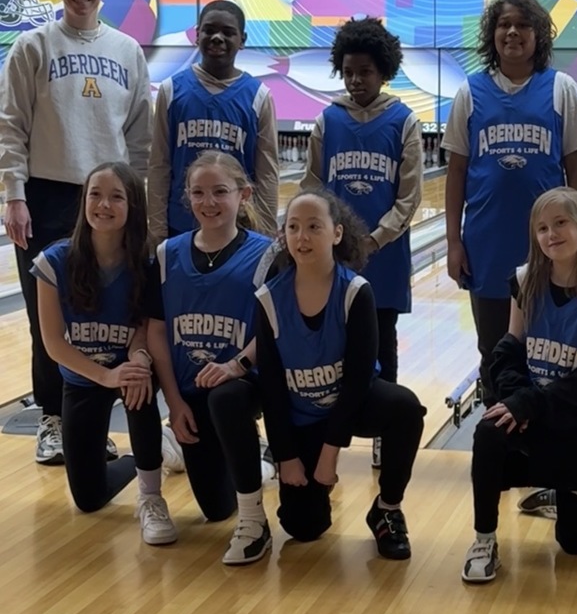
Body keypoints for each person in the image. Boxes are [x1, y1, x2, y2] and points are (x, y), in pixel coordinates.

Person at [0, 0, 152, 466]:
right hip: (46, 194)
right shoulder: (33, 47)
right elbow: (11, 127)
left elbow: (140, 138)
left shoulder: (128, 51)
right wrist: (14, 196)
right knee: (53, 316)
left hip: (108, 199)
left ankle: (89, 419)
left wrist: (140, 204)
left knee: (102, 314)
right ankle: (52, 419)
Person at [461, 188, 577, 583]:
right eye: (541, 228)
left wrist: (528, 402)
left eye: (561, 223)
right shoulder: (524, 281)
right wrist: (516, 401)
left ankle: (559, 492)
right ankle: (484, 539)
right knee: (488, 431)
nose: (551, 234)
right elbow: (508, 351)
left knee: (574, 544)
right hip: (532, 417)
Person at [256, 189, 426, 561]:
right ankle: (310, 495)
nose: (302, 237)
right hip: (301, 415)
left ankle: (387, 508)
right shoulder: (269, 299)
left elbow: (357, 380)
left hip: (351, 405)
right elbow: (270, 388)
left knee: (405, 408)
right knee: (303, 528)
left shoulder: (355, 292)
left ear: (337, 233)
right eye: (293, 227)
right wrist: (287, 456)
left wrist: (330, 454)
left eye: (314, 226)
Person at [443, 0, 577, 408]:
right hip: (486, 246)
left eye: (523, 25)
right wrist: (454, 242)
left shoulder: (562, 88)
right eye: (504, 24)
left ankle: (541, 442)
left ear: (538, 35)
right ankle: (498, 440)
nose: (513, 32)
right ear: (491, 34)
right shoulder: (470, 92)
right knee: (494, 352)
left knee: (548, 354)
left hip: (549, 247)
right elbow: (456, 172)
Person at [31, 161, 176, 543]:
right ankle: (157, 451)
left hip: (128, 368)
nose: (104, 205)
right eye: (95, 194)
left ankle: (151, 496)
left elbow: (144, 326)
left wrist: (138, 358)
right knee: (89, 499)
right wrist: (105, 376)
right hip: (83, 377)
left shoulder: (146, 261)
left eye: (117, 197)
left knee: (137, 382)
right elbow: (54, 344)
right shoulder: (55, 261)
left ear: (132, 208)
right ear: (84, 201)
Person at [301, 17, 423, 468]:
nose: (356, 80)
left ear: (383, 71)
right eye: (349, 72)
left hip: (383, 255)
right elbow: (312, 185)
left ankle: (382, 429)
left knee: (381, 339)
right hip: (333, 255)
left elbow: (409, 197)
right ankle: (325, 420)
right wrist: (317, 235)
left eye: (365, 72)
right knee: (332, 339)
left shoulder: (403, 121)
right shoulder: (327, 120)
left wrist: (372, 240)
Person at [146, 151, 274, 564]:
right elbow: (157, 332)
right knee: (216, 508)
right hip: (191, 394)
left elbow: (275, 328)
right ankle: (250, 462)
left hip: (241, 384)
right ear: (187, 197)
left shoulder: (267, 255)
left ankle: (255, 506)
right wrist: (175, 404)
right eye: (199, 193)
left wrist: (237, 365)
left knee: (226, 398)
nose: (209, 202)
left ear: (244, 195)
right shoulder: (167, 255)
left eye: (220, 192)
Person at [147, 0, 279, 242]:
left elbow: (267, 175)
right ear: (197, 35)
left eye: (228, 33)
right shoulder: (171, 91)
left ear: (243, 40)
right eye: (209, 30)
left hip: (238, 230)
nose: (217, 37)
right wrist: (156, 231)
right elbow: (159, 166)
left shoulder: (258, 96)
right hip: (181, 228)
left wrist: (267, 237)